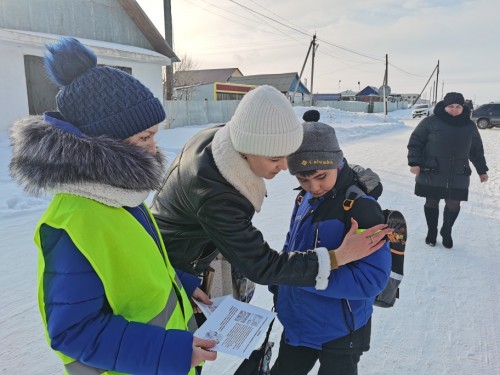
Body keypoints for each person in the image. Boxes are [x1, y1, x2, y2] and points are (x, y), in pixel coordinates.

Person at [9, 37, 216, 375]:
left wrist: (182, 286)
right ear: (103, 143)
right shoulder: (72, 223)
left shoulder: (120, 195)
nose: (153, 150)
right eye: (143, 138)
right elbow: (73, 333)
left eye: (154, 137)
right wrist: (170, 351)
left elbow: (133, 266)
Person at [150, 85, 391, 298]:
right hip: (166, 270)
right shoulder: (217, 194)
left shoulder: (219, 138)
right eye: (275, 158)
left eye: (287, 155)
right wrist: (338, 257)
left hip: (176, 260)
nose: (285, 167)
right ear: (246, 149)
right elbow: (262, 267)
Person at [269, 121, 391, 375]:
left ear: (337, 163)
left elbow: (372, 278)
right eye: (303, 179)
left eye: (321, 177)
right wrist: (278, 280)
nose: (314, 187)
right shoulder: (304, 198)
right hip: (297, 324)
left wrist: (308, 277)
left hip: (340, 332)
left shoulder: (361, 208)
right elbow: (292, 242)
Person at [407, 92, 489, 248]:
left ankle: (446, 230)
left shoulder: (469, 126)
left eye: (458, 106)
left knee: (454, 204)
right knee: (431, 201)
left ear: (463, 107)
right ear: (444, 106)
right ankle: (432, 231)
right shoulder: (430, 122)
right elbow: (416, 142)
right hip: (432, 170)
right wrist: (414, 162)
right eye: (450, 106)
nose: (454, 109)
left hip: (459, 172)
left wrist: (482, 170)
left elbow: (476, 150)